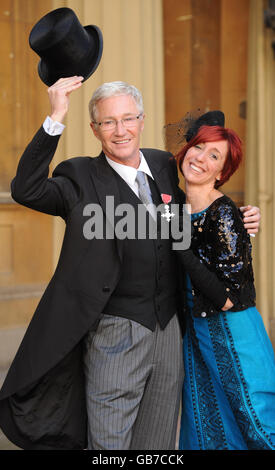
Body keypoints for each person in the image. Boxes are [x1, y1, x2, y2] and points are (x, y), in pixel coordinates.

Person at [0, 79, 260, 450]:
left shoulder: (166, 165)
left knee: (155, 443)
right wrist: (56, 116)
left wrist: (243, 216)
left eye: (128, 119)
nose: (120, 131)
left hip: (170, 328)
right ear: (94, 129)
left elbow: (203, 204)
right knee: (109, 445)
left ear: (141, 120)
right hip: (114, 331)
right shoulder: (79, 177)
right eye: (108, 122)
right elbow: (26, 189)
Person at [173, 118, 275, 450]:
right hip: (197, 331)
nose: (201, 158)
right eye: (198, 147)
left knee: (256, 422)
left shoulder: (225, 214)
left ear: (222, 172)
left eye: (214, 155)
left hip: (232, 331)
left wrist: (178, 243)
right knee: (208, 427)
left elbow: (228, 298)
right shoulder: (176, 207)